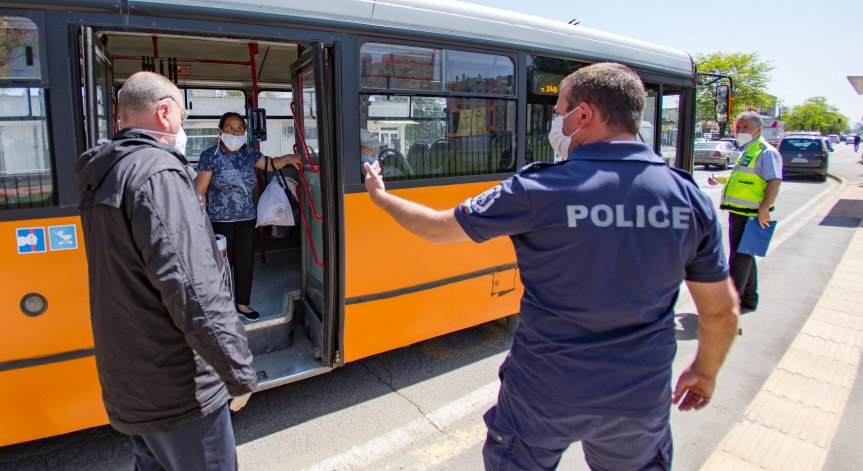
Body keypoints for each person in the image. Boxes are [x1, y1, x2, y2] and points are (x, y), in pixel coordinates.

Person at [362, 62, 739, 470]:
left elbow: (438, 230)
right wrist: (704, 370)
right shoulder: (687, 197)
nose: (555, 121)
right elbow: (721, 312)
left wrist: (380, 197)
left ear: (584, 115)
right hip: (639, 396)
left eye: (558, 111)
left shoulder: (539, 188)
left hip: (544, 392)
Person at [75, 71, 257, 470]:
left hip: (133, 380)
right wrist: (239, 372)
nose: (182, 127)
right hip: (179, 389)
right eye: (182, 115)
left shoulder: (107, 174)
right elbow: (194, 289)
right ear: (162, 113)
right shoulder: (159, 174)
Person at [195, 112, 301, 321]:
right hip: (219, 221)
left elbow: (270, 164)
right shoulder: (210, 155)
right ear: (220, 131)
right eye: (230, 128)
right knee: (220, 266)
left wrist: (288, 158)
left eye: (239, 128)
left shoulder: (248, 153)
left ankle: (242, 304)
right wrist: (200, 220)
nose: (235, 132)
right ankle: (219, 308)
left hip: (246, 219)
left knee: (244, 263)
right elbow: (200, 190)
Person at [708, 111, 782, 312]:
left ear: (759, 129)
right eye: (738, 127)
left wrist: (764, 210)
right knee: (746, 255)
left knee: (739, 260)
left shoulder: (766, 152)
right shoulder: (748, 150)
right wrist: (720, 180)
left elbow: (774, 181)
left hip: (751, 215)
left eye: (746, 127)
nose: (740, 131)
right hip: (739, 212)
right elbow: (746, 180)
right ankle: (749, 299)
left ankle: (727, 306)